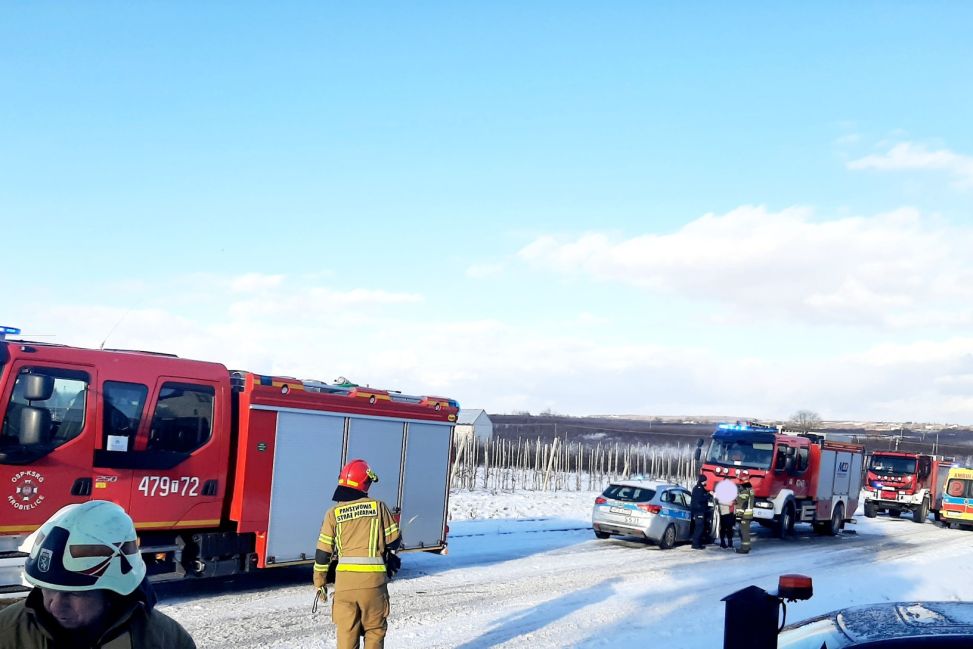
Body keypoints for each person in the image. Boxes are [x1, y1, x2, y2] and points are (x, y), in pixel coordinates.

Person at [0, 500, 196, 649]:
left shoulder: (166, 640)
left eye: (75, 593)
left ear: (113, 594)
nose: (55, 605)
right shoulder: (7, 632)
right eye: (48, 590)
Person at [313, 459, 401, 649]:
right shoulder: (379, 507)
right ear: (365, 483)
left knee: (346, 636)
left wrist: (320, 582)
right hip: (374, 586)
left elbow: (322, 553)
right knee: (374, 632)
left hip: (345, 587)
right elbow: (394, 541)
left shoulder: (332, 514)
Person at [690, 474, 711, 550]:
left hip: (699, 510)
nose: (706, 482)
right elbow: (700, 499)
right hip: (699, 511)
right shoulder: (699, 489)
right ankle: (695, 544)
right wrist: (708, 496)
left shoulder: (700, 488)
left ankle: (698, 543)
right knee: (699, 528)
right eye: (705, 480)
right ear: (702, 481)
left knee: (700, 527)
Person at [735, 479, 755, 554]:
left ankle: (744, 548)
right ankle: (748, 546)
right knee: (746, 531)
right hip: (748, 515)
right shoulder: (751, 492)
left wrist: (738, 517)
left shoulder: (744, 493)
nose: (740, 488)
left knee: (744, 532)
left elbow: (742, 505)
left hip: (744, 516)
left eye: (741, 486)